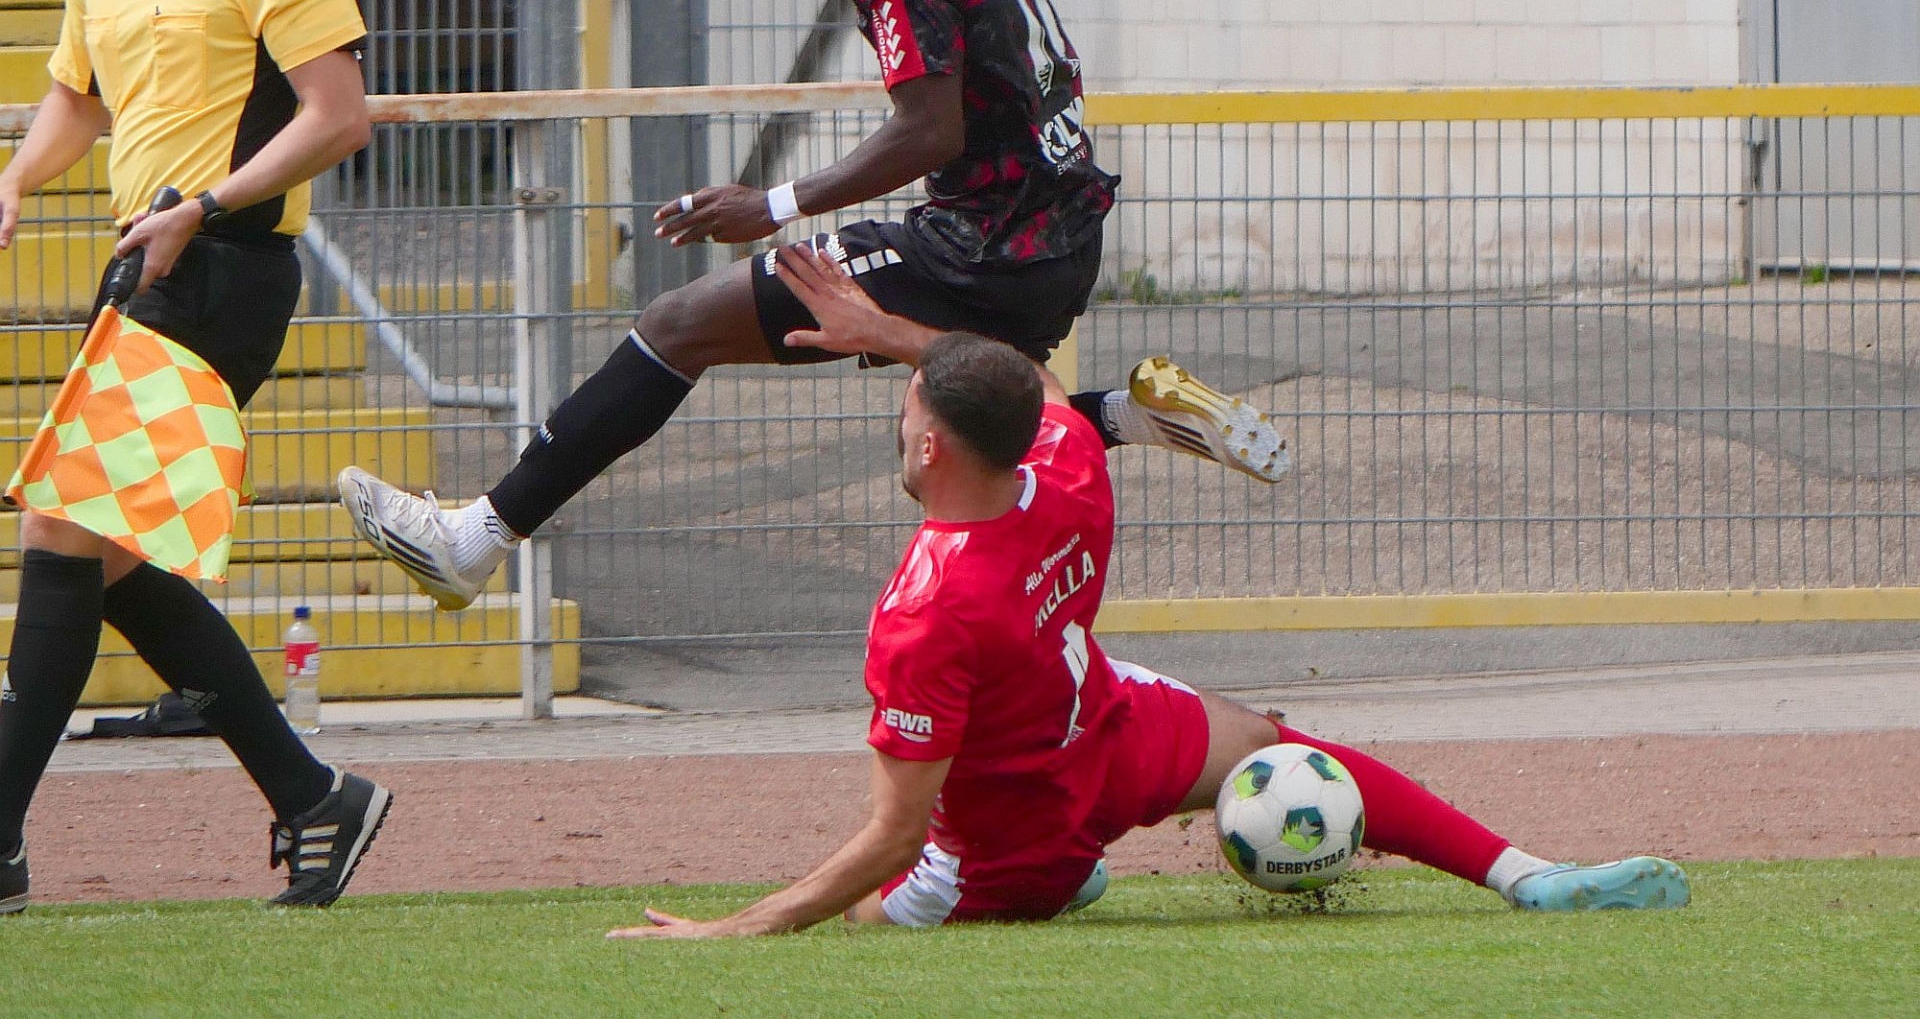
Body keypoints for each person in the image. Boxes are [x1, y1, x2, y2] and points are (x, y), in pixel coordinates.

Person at [338, 0, 1287, 610]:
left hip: (979, 245)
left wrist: (773, 203)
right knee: (958, 431)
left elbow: (929, 130)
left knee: (678, 325)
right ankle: (1129, 416)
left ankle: (476, 538)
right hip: (1061, 225)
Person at [607, 245, 1689, 936]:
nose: (898, 420)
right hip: (1115, 733)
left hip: (1014, 844)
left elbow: (895, 833)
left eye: (905, 409)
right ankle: (1527, 875)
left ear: (932, 446)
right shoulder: (1067, 463)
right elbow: (1029, 382)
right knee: (1272, 742)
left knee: (879, 908)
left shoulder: (922, 610)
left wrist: (739, 926)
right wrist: (890, 334)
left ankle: (1066, 874)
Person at [0, 0, 390, 913]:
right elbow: (79, 95)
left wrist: (203, 206)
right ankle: (312, 794)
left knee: (63, 528)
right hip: (146, 265)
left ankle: (0, 839)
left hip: (223, 268)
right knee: (109, 562)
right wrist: (16, 178)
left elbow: (339, 116)